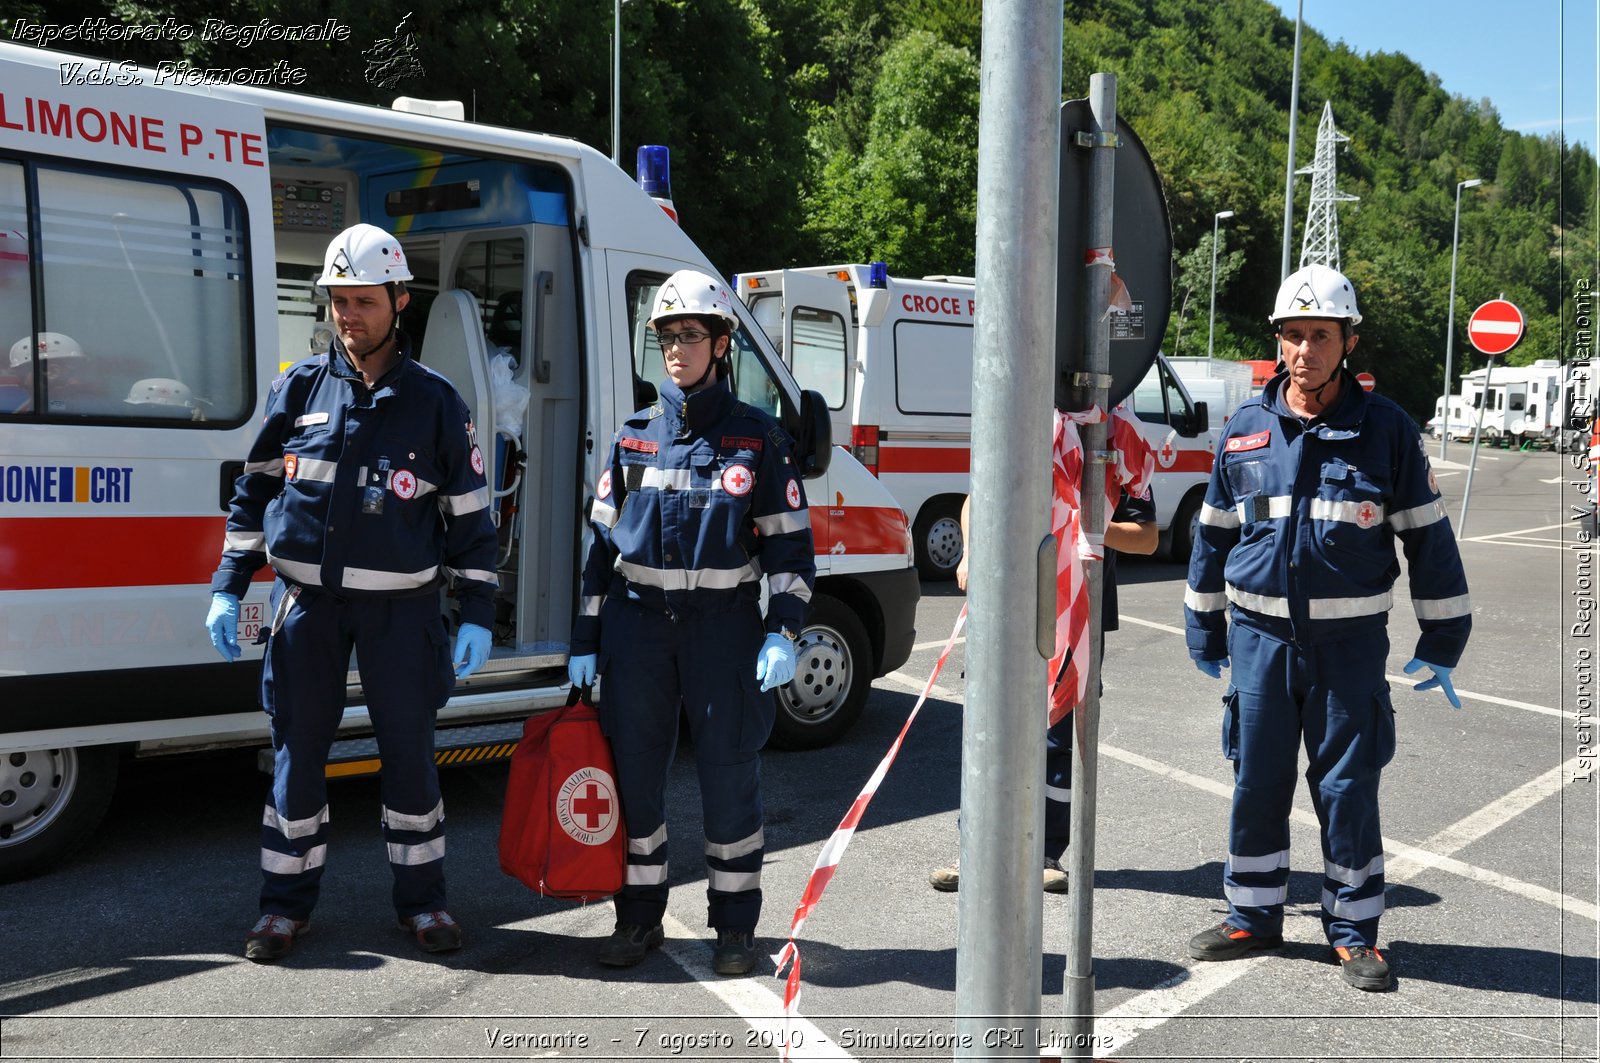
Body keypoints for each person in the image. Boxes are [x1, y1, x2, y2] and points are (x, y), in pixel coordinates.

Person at [205, 223, 498, 963]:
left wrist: (480, 613)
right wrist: (228, 583)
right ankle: (283, 909)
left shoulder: (435, 402)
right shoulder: (297, 387)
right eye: (338, 301)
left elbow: (471, 521)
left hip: (404, 615)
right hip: (308, 610)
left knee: (409, 758)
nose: (349, 315)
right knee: (297, 757)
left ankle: (424, 903)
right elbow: (255, 493)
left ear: (400, 301)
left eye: (364, 301)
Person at [1183, 263, 1471, 992]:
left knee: (1347, 788)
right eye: (1292, 335)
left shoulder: (1387, 432)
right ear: (1277, 341)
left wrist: (1442, 638)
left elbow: (1428, 539)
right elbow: (1212, 537)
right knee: (1256, 780)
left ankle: (1353, 932)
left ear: (1348, 341)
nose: (1304, 350)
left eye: (1320, 335)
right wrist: (1204, 628)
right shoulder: (1246, 431)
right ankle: (1251, 914)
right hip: (1257, 643)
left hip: (1347, 649)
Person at [566, 269, 815, 977]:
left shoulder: (757, 438)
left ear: (722, 341)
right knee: (636, 777)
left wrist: (784, 628)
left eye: (691, 334)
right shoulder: (634, 436)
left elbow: (791, 549)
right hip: (638, 630)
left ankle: (735, 928)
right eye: (667, 336)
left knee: (728, 778)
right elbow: (599, 548)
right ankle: (638, 917)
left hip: (723, 630)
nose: (677, 347)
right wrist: (585, 639)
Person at [929, 479, 1157, 893]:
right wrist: (971, 549)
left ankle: (1046, 853)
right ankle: (975, 850)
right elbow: (976, 497)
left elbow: (1147, 538)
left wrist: (1084, 526)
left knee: (1056, 741)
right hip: (1008, 605)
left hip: (1075, 616)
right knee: (991, 735)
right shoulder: (1031, 422)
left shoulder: (1111, 447)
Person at [4, 332, 109, 414]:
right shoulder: (91, 403)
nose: (23, 382)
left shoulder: (71, 406)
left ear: (52, 371)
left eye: (23, 373)